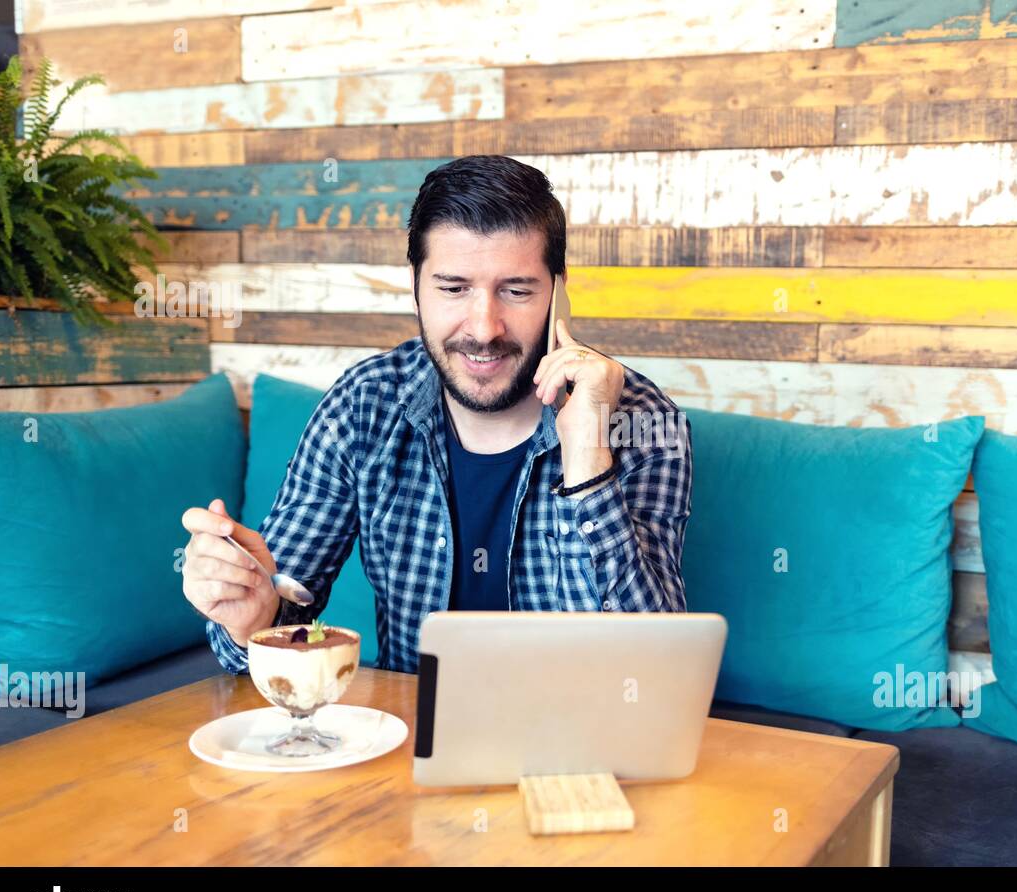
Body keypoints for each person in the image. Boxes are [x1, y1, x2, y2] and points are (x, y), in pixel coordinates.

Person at [180, 155, 693, 675]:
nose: (484, 327)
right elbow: (276, 611)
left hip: (579, 745)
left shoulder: (643, 421)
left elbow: (651, 670)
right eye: (453, 288)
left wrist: (589, 460)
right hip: (411, 737)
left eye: (516, 290)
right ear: (415, 285)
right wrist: (251, 619)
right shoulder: (364, 406)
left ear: (559, 292)